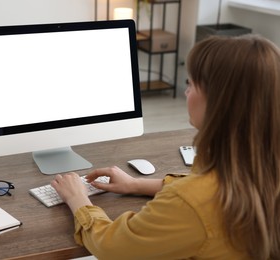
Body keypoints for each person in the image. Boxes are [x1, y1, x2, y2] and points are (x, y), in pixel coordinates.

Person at [51, 34, 280, 259]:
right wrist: (137, 184)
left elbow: (111, 248)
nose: (186, 92)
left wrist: (77, 198)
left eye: (191, 84)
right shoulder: (263, 168)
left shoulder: (191, 203)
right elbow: (222, 185)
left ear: (219, 101)